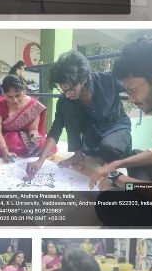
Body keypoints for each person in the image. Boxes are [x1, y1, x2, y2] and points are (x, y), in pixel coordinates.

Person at [91, 37, 152, 220]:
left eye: (132, 90)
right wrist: (116, 164)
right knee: (136, 154)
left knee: (106, 204)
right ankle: (146, 196)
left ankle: (146, 199)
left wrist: (119, 179)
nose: (130, 99)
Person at [26, 50, 134, 179]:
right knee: (65, 105)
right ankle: (78, 154)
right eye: (64, 90)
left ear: (83, 78)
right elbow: (55, 130)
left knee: (109, 148)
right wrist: (40, 161)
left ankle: (115, 153)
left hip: (116, 128)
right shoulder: (66, 99)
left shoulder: (106, 80)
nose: (68, 94)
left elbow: (132, 84)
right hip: (93, 136)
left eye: (72, 89)